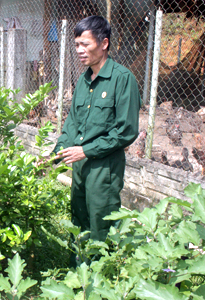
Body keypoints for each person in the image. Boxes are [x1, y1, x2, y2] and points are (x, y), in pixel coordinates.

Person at [44, 16, 141, 266]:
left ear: (104, 43)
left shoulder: (123, 79)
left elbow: (126, 131)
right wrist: (55, 154)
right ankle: (77, 274)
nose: (79, 50)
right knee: (78, 220)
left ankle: (100, 278)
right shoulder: (84, 80)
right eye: (76, 44)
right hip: (80, 164)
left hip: (104, 168)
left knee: (100, 224)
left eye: (85, 44)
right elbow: (71, 124)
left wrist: (86, 150)